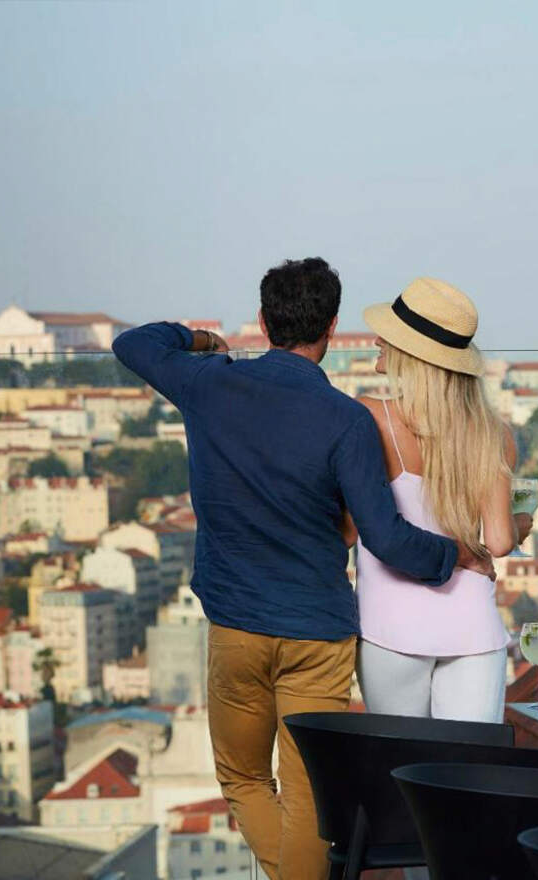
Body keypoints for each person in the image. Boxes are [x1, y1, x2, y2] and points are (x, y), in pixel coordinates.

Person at [112, 258, 494, 880]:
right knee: (311, 797)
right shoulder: (346, 419)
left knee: (241, 777)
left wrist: (204, 341)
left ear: (262, 321)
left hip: (236, 626)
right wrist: (460, 555)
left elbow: (133, 343)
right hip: (319, 634)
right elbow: (387, 537)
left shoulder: (208, 383)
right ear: (333, 327)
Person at [350, 277, 530, 723]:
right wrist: (524, 518)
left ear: (412, 356)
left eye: (388, 337)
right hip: (472, 628)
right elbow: (502, 542)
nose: (376, 341)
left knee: (400, 771)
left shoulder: (370, 416)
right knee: (469, 774)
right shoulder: (494, 433)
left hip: (390, 626)